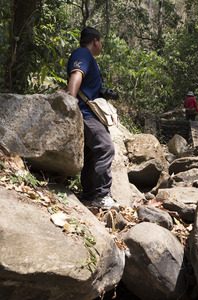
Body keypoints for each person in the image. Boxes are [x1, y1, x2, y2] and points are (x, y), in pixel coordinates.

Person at [67, 27, 118, 210]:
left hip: (89, 112)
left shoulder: (89, 58)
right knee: (106, 148)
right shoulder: (83, 54)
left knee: (91, 153)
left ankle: (89, 195)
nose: (101, 45)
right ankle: (102, 196)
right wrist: (71, 100)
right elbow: (76, 74)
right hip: (87, 114)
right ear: (95, 40)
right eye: (101, 42)